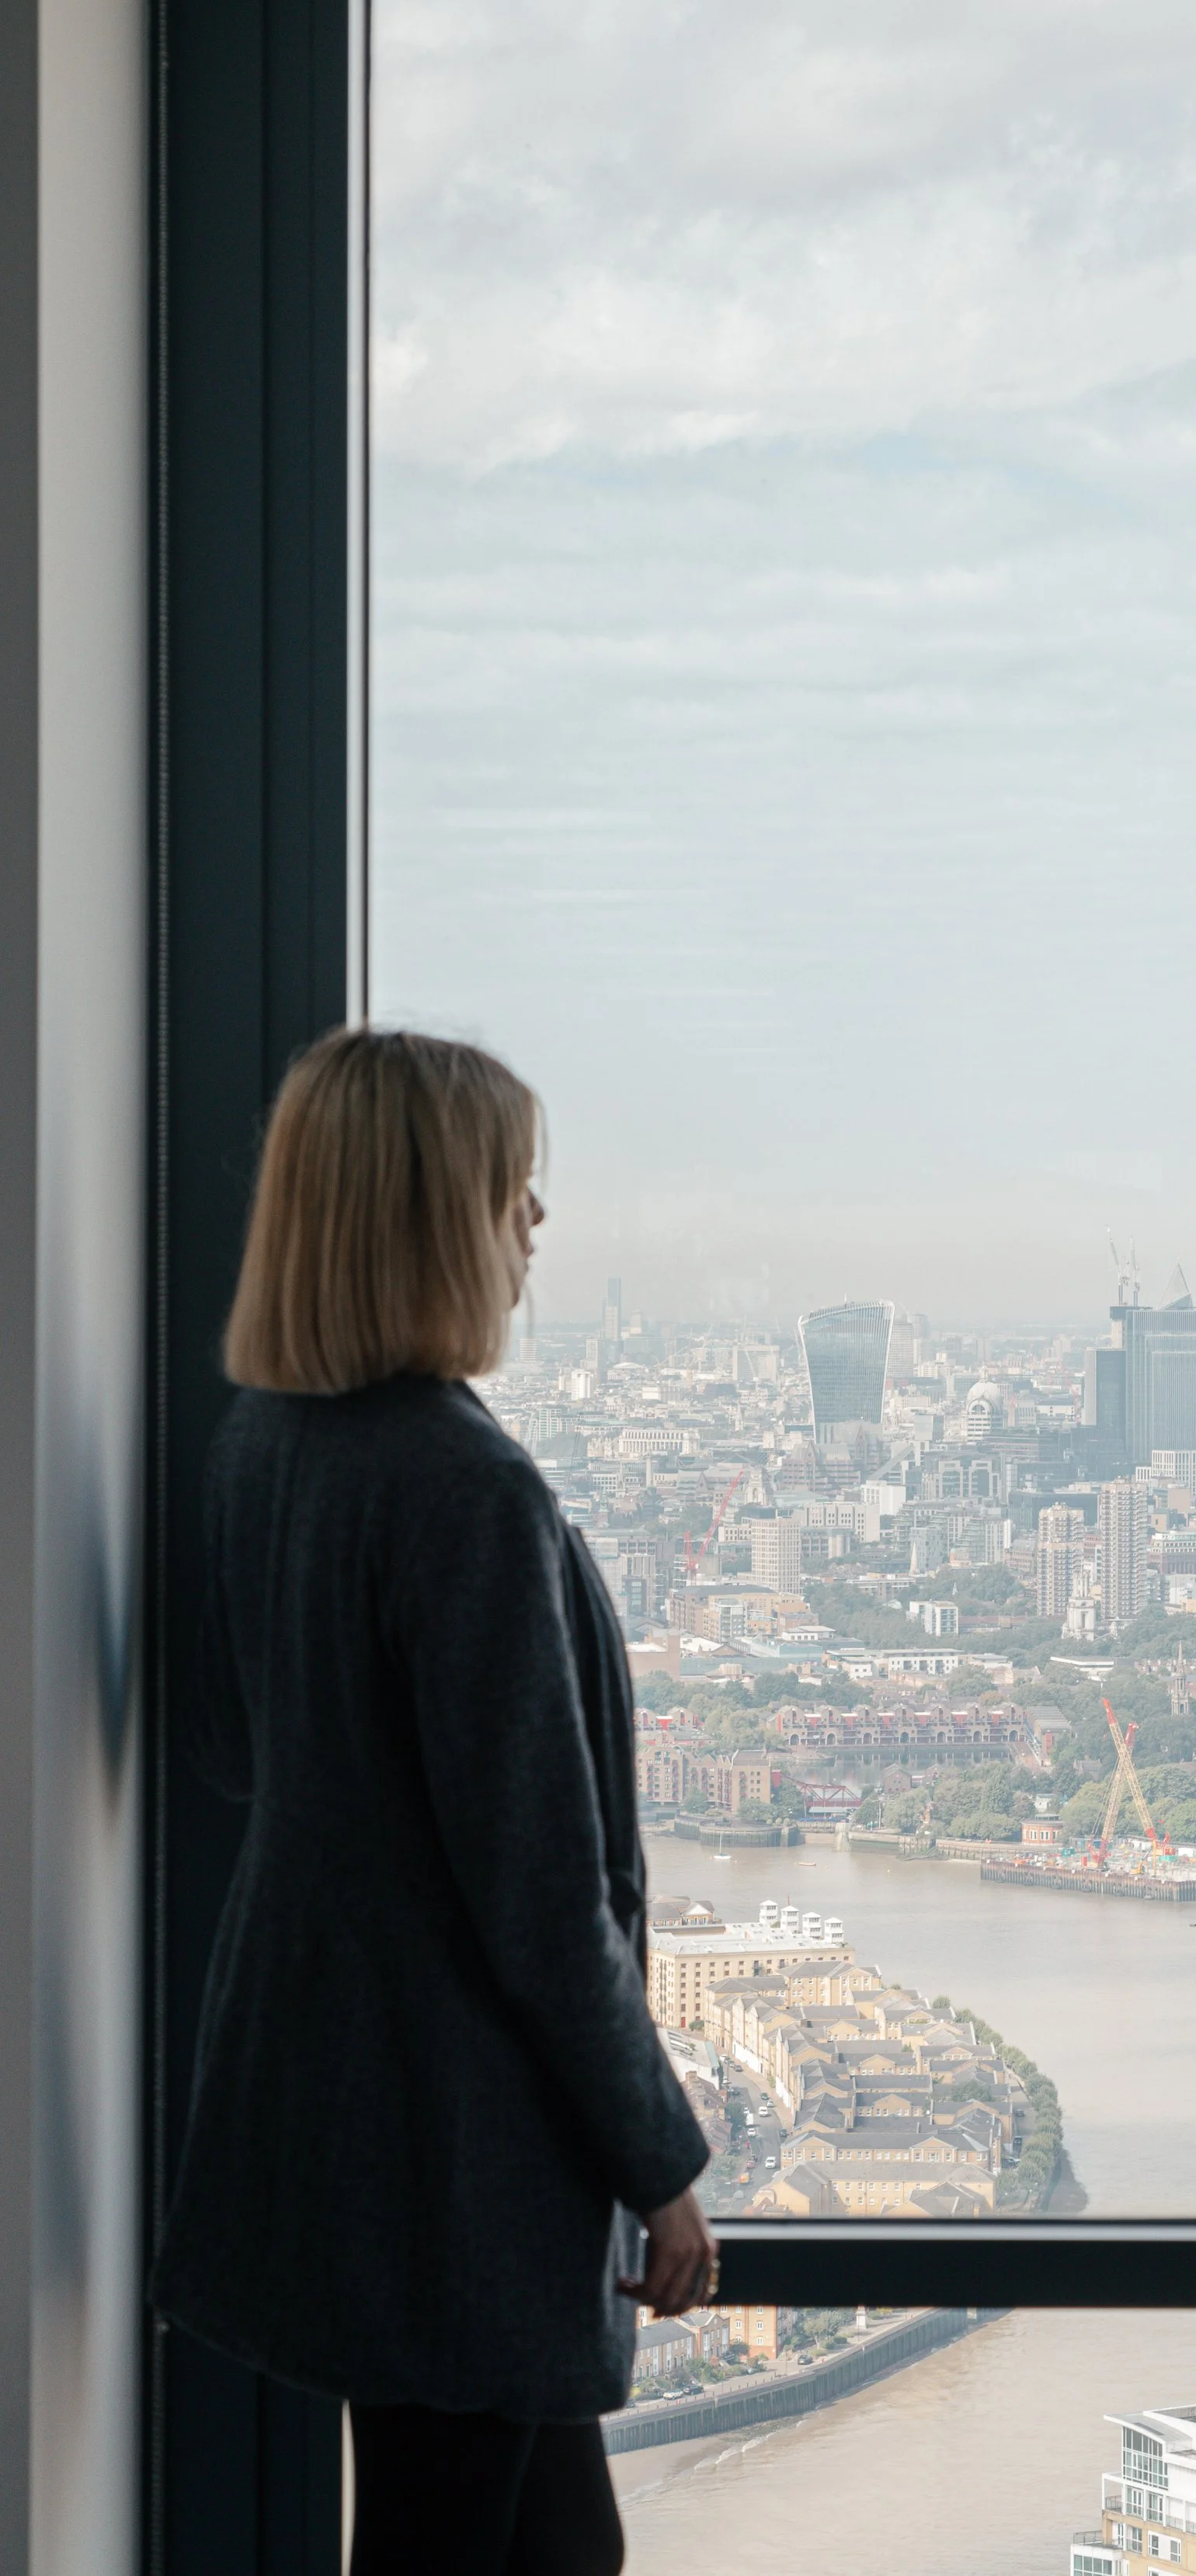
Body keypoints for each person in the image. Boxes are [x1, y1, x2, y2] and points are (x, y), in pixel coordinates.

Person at [153, 1026, 717, 2576]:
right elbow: (546, 1901)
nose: (534, 1224)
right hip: (458, 2157)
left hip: (322, 2107)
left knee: (542, 2547)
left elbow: (227, 1747)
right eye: (509, 1189)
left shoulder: (267, 1449)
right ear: (427, 1217)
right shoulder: (463, 1490)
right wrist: (658, 2163)